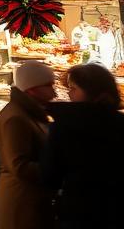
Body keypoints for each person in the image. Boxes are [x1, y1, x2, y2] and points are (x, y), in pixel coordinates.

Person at [41, 62, 124, 229]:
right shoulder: (120, 123)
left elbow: (50, 176)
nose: (69, 94)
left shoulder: (63, 126)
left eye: (73, 88)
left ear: (91, 90)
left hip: (78, 212)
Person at [0, 60, 57, 229]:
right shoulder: (16, 119)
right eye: (48, 85)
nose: (54, 92)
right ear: (32, 89)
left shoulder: (26, 112)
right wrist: (57, 170)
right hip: (23, 203)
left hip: (30, 200)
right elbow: (19, 166)